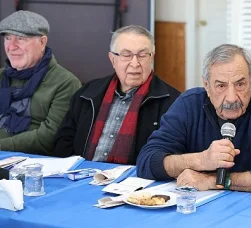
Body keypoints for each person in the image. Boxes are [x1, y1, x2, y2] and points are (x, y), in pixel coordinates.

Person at [136, 44, 251, 193]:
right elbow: (146, 161)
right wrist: (201, 160)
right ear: (207, 85)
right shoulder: (189, 104)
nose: (231, 98)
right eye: (221, 86)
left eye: (240, 84)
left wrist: (215, 181)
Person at [54, 25, 180, 165]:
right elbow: (63, 143)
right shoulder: (87, 93)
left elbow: (171, 155)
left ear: (152, 57)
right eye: (126, 55)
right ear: (113, 59)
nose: (135, 63)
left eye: (142, 55)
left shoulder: (173, 102)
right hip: (82, 175)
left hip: (135, 180)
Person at [0, 11, 81, 155]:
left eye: (20, 39)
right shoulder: (1, 76)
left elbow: (48, 138)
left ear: (42, 42)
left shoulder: (65, 83)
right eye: (7, 38)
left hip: (34, 164)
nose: (11, 46)